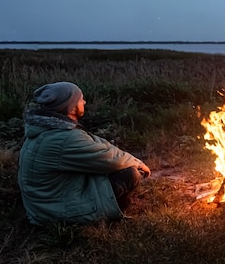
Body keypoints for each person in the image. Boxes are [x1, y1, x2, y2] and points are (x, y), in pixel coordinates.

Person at [18, 81, 151, 225]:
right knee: (130, 173)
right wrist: (137, 162)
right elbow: (108, 158)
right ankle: (108, 209)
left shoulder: (47, 130)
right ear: (71, 107)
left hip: (43, 206)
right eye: (80, 99)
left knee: (114, 166)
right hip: (56, 213)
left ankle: (111, 200)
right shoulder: (64, 139)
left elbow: (98, 144)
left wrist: (126, 157)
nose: (84, 102)